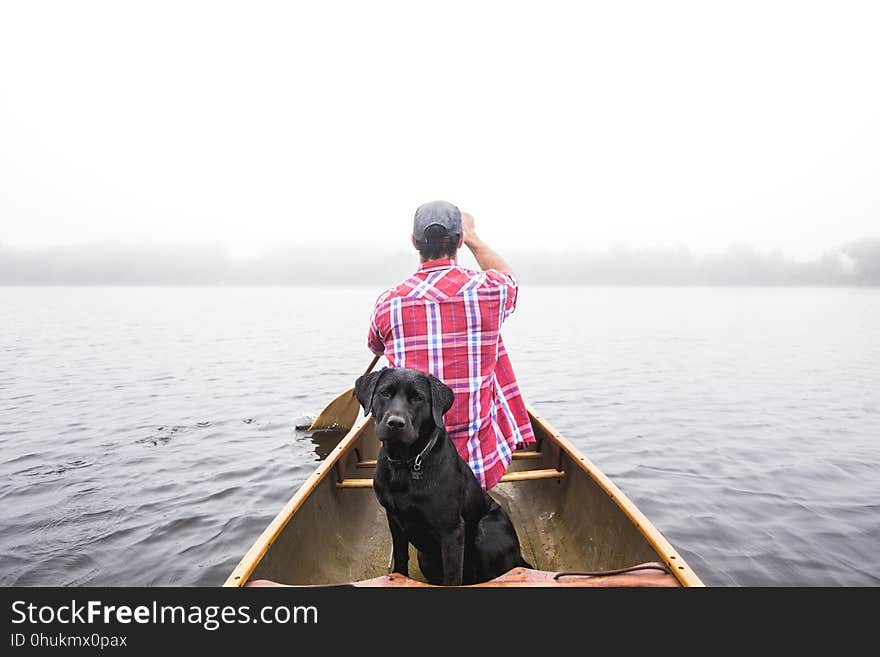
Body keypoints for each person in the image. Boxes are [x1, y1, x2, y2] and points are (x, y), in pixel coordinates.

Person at [367, 200, 536, 489]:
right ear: (458, 242)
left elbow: (376, 346)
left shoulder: (388, 303)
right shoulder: (492, 291)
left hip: (410, 470)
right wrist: (473, 237)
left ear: (414, 242)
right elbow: (511, 279)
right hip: (477, 469)